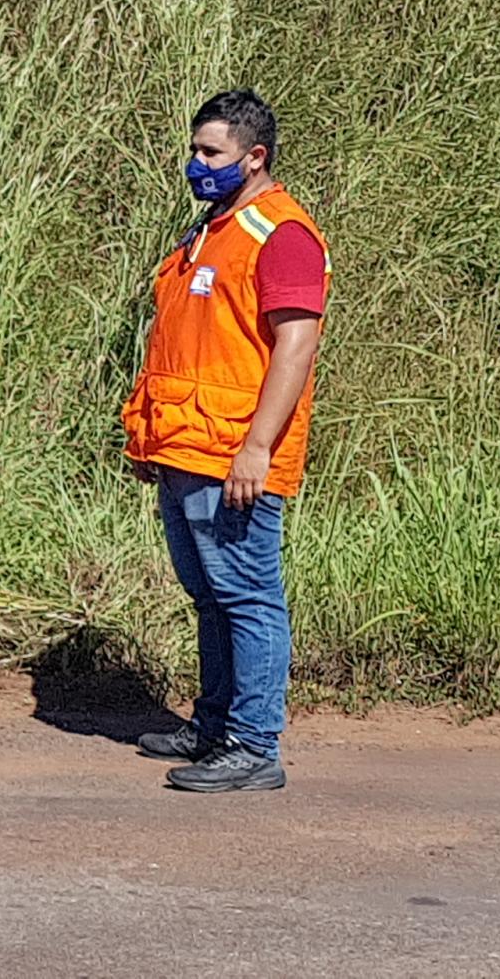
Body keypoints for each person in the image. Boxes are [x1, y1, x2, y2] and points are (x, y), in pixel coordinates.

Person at [121, 90, 331, 792]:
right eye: (196, 149)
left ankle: (251, 743)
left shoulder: (283, 233)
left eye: (212, 153)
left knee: (247, 597)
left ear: (255, 156)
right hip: (185, 446)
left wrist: (257, 446)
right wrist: (153, 438)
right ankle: (213, 723)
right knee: (210, 596)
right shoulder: (211, 229)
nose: (197, 163)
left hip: (234, 454)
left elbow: (295, 348)